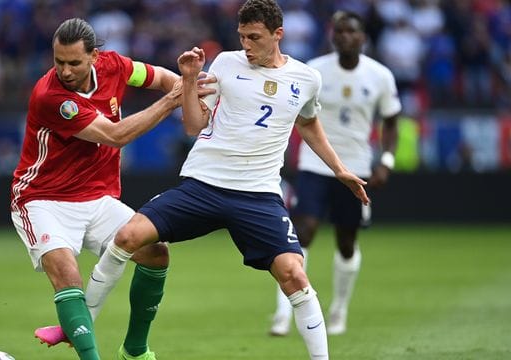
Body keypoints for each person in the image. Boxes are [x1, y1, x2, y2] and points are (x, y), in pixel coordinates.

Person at [88, 1, 370, 359]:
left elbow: (309, 122)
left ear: (277, 35)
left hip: (258, 196)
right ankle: (80, 326)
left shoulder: (306, 79)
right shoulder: (224, 63)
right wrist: (189, 79)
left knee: (295, 276)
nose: (246, 45)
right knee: (128, 236)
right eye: (242, 37)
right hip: (203, 185)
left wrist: (339, 168)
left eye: (254, 37)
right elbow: (193, 125)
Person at [9, 18, 214, 360]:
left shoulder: (115, 65)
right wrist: (172, 102)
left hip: (97, 197)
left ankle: (135, 350)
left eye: (74, 62)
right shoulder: (54, 97)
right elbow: (116, 136)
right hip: (43, 199)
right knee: (67, 275)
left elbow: (160, 77)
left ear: (94, 56)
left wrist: (187, 90)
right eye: (58, 61)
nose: (65, 70)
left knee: (156, 252)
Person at [269, 10, 401, 337]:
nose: (344, 36)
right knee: (304, 232)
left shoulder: (380, 76)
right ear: (332, 37)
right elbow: (295, 113)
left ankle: (339, 309)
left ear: (363, 38)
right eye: (339, 31)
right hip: (316, 164)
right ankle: (283, 314)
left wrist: (385, 161)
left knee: (346, 241)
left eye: (351, 32)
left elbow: (391, 122)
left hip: (355, 168)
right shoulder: (315, 70)